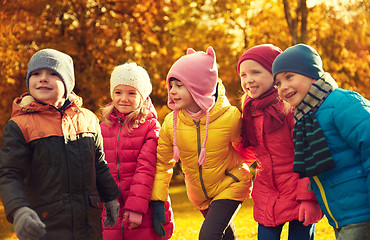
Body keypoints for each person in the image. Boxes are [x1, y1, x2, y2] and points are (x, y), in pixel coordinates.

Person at [0, 48, 120, 240]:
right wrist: (19, 209)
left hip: (89, 224)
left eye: (53, 73)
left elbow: (99, 164)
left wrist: (111, 197)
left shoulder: (88, 119)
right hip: (46, 225)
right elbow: (9, 174)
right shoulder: (19, 125)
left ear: (67, 82)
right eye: (36, 74)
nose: (43, 78)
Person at [151, 46, 253, 240]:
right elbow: (163, 164)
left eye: (179, 86)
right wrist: (158, 199)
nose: (172, 92)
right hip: (200, 195)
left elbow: (248, 148)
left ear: (198, 87)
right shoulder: (170, 124)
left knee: (208, 235)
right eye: (171, 86)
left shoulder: (229, 117)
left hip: (230, 184)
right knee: (225, 236)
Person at [272, 43, 370, 240]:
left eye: (289, 77)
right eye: (278, 83)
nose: (283, 87)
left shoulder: (341, 103)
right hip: (341, 215)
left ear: (312, 74)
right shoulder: (305, 119)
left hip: (362, 213)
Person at [237, 44, 322, 240]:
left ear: (275, 74)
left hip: (299, 191)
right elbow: (251, 151)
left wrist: (309, 198)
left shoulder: (291, 108)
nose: (248, 80)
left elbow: (310, 154)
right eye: (243, 75)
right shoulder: (250, 109)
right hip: (268, 192)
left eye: (255, 72)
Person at [100, 62, 174, 239]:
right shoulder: (103, 127)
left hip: (143, 209)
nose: (124, 98)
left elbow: (146, 169)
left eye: (131, 93)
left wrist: (136, 209)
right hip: (111, 209)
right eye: (118, 92)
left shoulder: (150, 127)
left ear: (142, 96)